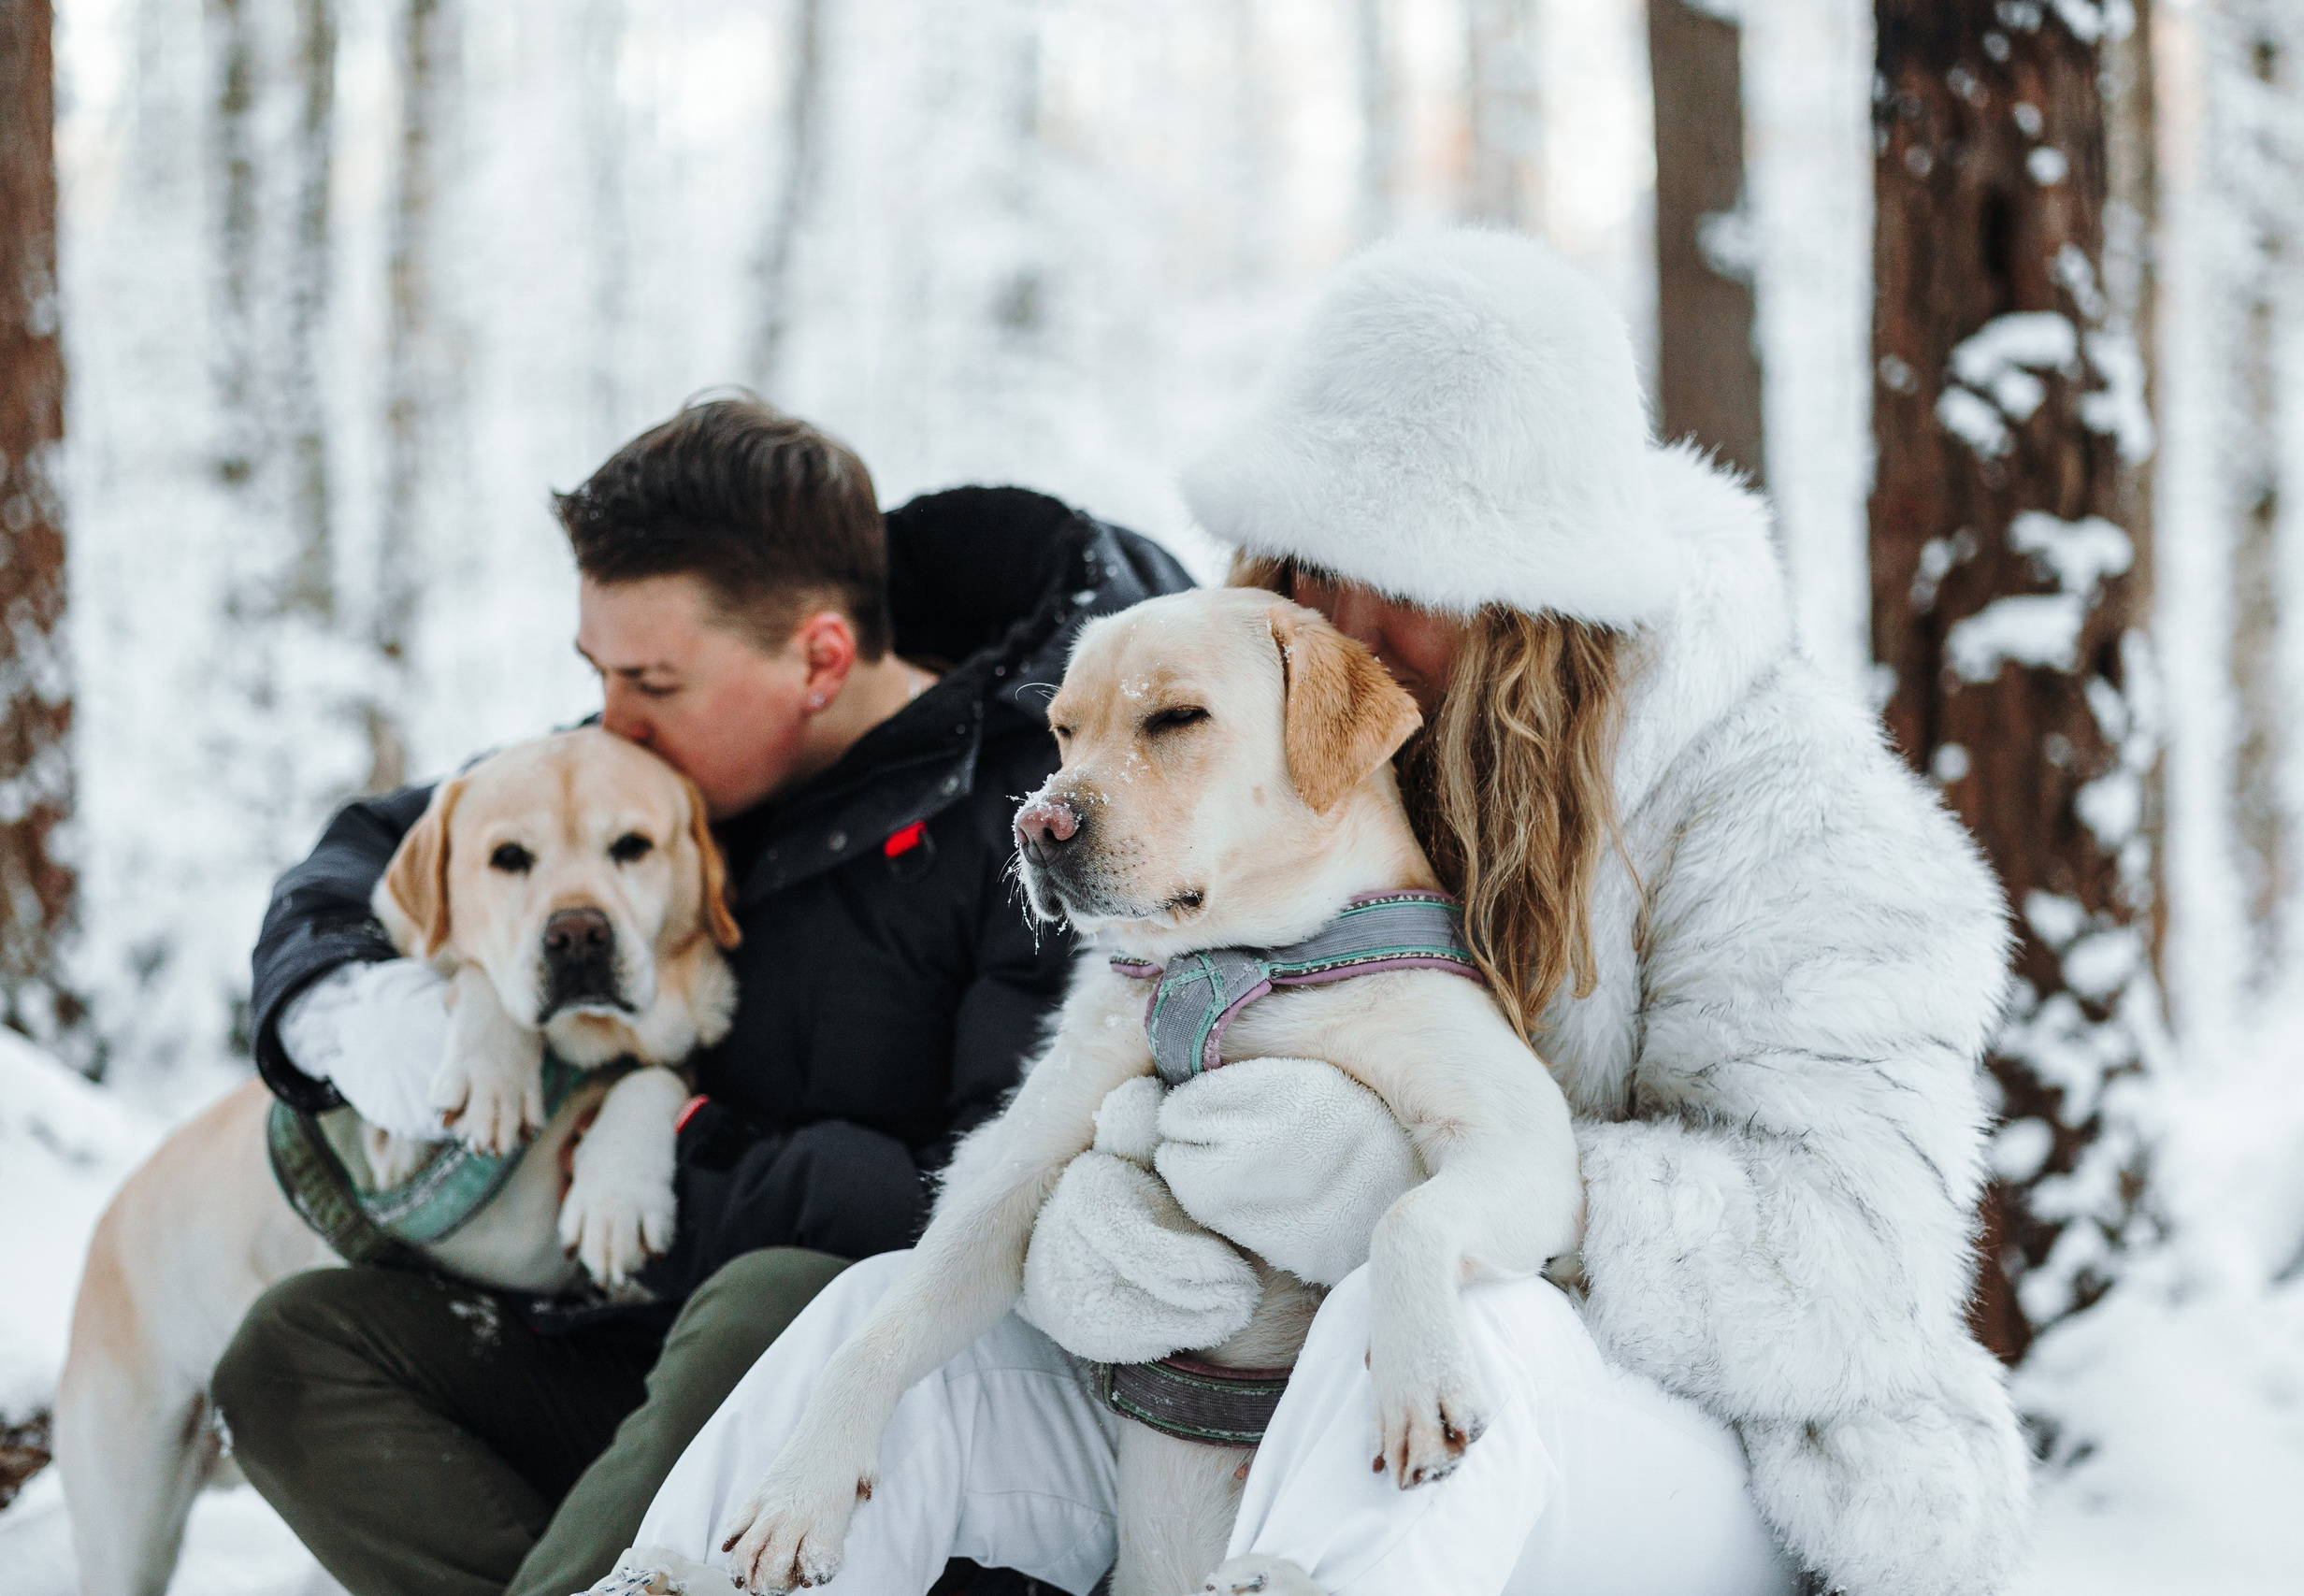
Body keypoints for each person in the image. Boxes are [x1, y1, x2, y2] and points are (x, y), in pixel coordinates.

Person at [609, 230, 2033, 1596]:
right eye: (1298, 565)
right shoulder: (1265, 759)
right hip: (1275, 1406)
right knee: (874, 1326)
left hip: (1694, 1460)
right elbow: (1095, 1092)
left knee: (1445, 1314)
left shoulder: (1785, 807)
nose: (1330, 621)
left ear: (1524, 586)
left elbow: (1861, 1266)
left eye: (1385, 575)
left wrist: (1421, 1191)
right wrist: (1090, 1228)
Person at [210, 395, 1191, 1596]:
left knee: (766, 1300)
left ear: (819, 660)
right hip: (626, 1339)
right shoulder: (679, 760)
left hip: (880, 1403)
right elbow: (377, 845)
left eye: (650, 682)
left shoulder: (1044, 823)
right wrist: (351, 1008)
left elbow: (988, 1208)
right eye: (598, 674)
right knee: (293, 1351)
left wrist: (676, 1144)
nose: (611, 720)